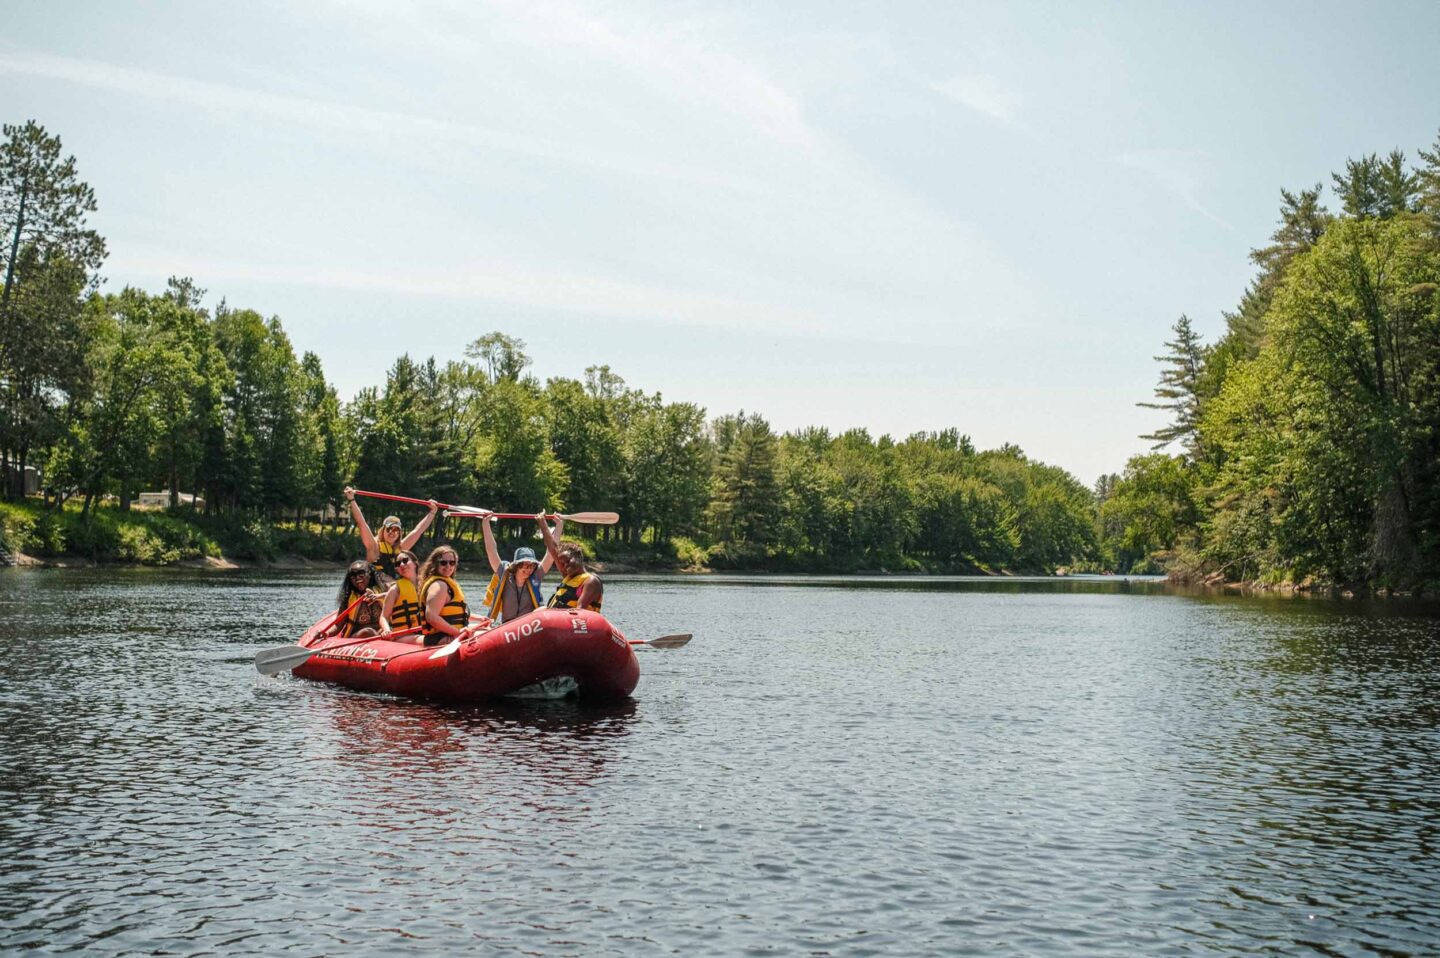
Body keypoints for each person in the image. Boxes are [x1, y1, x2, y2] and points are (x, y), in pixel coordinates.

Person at [343, 486, 439, 583]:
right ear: (383, 530)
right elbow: (361, 523)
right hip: (375, 590)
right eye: (389, 529)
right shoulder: (374, 546)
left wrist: (432, 512)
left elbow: (418, 530)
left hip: (393, 591)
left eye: (396, 530)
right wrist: (352, 500)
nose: (392, 533)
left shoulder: (401, 548)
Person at [479, 513, 560, 624]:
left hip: (530, 627)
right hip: (508, 627)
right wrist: (486, 523)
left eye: (532, 565)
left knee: (545, 609)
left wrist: (559, 526)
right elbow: (491, 550)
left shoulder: (536, 576)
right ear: (516, 566)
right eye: (525, 565)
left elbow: (551, 554)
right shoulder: (504, 573)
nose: (529, 569)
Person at [417, 545, 487, 646]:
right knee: (485, 634)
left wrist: (479, 619)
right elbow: (431, 616)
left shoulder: (446, 583)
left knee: (486, 629)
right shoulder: (439, 585)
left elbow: (453, 612)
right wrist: (457, 632)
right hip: (441, 637)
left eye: (452, 563)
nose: (448, 566)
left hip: (449, 634)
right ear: (435, 564)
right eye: (443, 562)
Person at [536, 512, 604, 612]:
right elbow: (552, 548)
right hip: (557, 621)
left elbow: (580, 610)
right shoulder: (568, 576)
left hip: (577, 624)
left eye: (567, 561)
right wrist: (542, 523)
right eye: (562, 563)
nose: (565, 566)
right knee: (541, 609)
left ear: (578, 557)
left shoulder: (591, 581)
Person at [324, 560, 386, 638]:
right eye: (353, 575)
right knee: (368, 632)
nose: (357, 578)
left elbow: (396, 591)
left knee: (386, 630)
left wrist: (381, 595)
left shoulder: (383, 590)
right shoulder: (348, 598)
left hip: (382, 632)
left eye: (361, 574)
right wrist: (326, 633)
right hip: (359, 635)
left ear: (369, 574)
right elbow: (338, 626)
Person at [379, 549, 425, 640]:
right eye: (397, 564)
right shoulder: (395, 589)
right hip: (403, 637)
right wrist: (387, 630)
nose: (401, 565)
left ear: (415, 563)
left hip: (425, 633)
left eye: (405, 560)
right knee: (428, 640)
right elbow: (384, 616)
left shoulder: (428, 586)